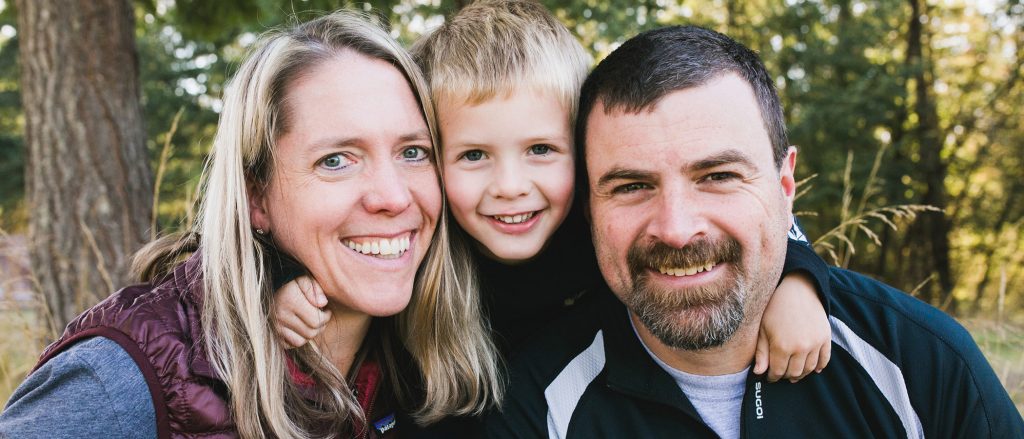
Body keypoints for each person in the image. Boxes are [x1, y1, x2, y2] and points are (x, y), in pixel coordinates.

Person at [483, 25, 1024, 439]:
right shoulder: (540, 403)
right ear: (587, 207)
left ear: (784, 183)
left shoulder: (918, 365)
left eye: (718, 176)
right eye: (630, 186)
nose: (677, 228)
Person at [0, 10, 501, 438]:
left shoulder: (421, 365)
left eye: (413, 152)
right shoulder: (123, 382)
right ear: (255, 194)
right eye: (336, 160)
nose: (393, 197)